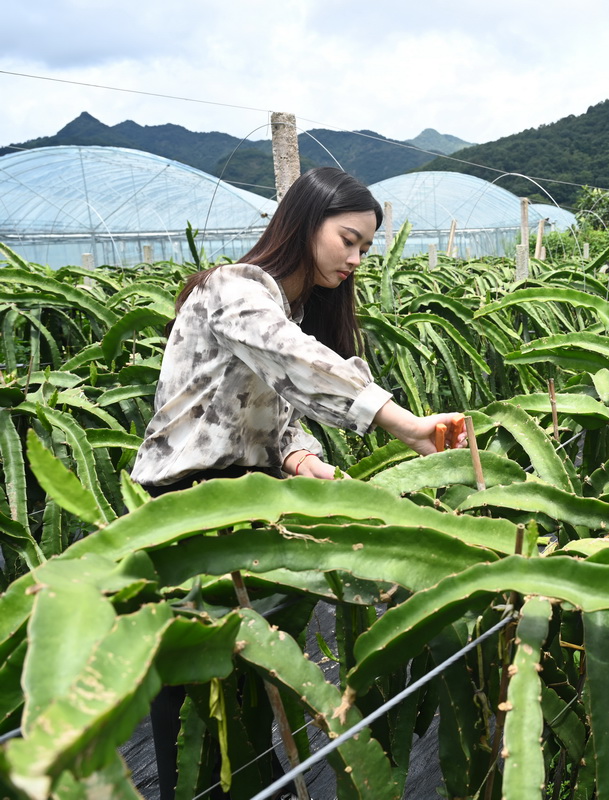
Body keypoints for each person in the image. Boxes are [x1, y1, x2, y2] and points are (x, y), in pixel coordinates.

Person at [131, 166, 464, 799]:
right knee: (184, 679)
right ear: (305, 224)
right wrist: (404, 426)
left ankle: (257, 786)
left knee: (250, 661)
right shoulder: (233, 288)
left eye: (367, 248)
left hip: (247, 500)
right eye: (348, 239)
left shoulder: (289, 308)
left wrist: (299, 458)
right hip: (184, 506)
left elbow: (278, 412)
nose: (357, 259)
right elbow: (294, 360)